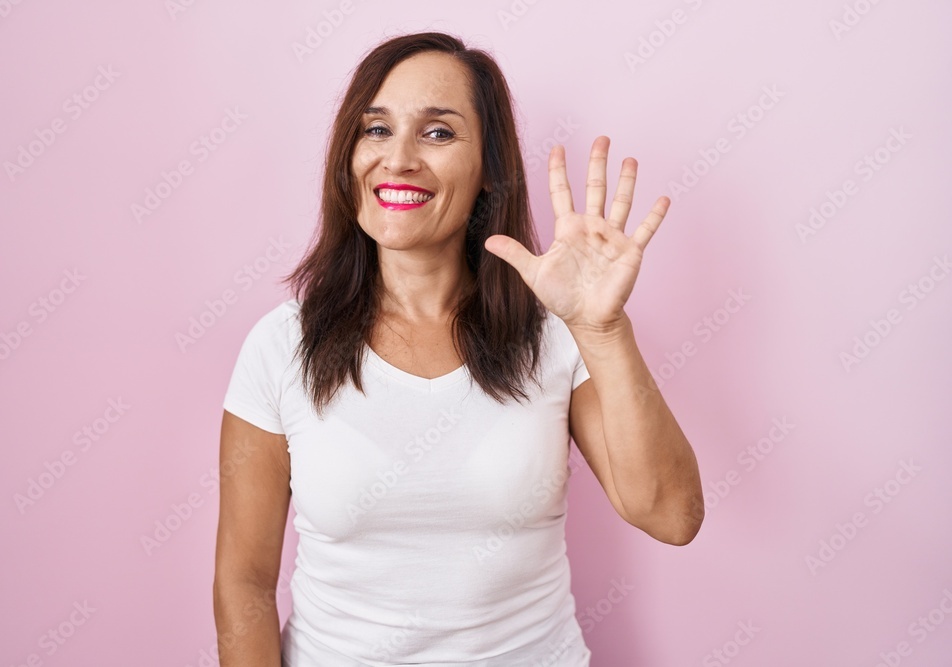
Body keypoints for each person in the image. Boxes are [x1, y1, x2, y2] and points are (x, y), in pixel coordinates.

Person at [213, 30, 704, 666]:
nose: (399, 159)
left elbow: (671, 515)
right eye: (376, 129)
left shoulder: (556, 332)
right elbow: (243, 582)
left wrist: (603, 331)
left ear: (488, 174)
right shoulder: (281, 345)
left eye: (438, 133)